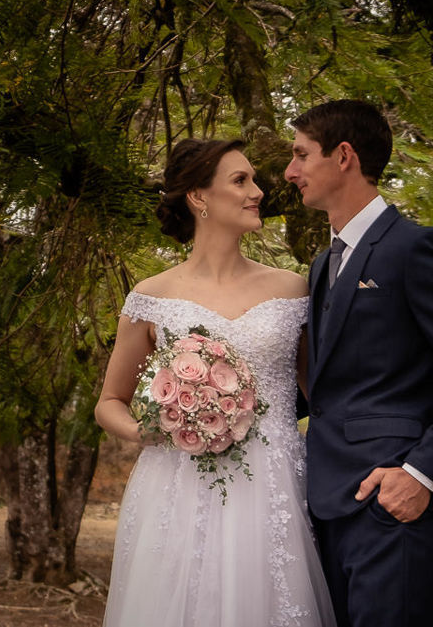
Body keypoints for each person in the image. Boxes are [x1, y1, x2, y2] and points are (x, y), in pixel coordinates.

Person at [96, 138, 337, 627]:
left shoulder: (292, 289)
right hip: (178, 486)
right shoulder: (151, 296)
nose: (259, 192)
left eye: (255, 180)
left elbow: (323, 397)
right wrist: (151, 428)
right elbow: (109, 401)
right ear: (198, 196)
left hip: (274, 486)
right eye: (241, 181)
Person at [290, 100, 433, 627]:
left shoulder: (416, 248)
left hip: (390, 502)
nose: (290, 171)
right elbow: (325, 385)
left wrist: (422, 474)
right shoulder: (321, 265)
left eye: (301, 154)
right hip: (323, 502)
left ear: (344, 156)